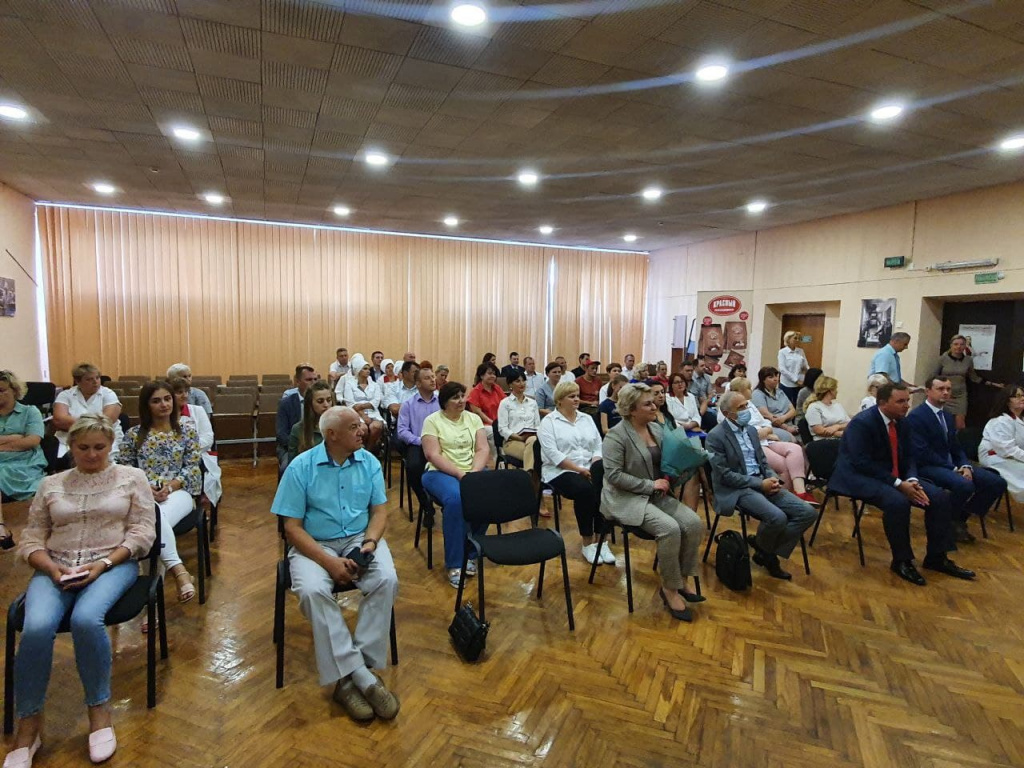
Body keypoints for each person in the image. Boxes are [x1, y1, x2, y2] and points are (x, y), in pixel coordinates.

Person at [7, 414, 155, 766]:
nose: (91, 455)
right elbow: (32, 536)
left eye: (99, 447)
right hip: (56, 565)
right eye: (83, 448)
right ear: (71, 447)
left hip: (112, 564)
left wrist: (102, 564)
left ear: (111, 445)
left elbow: (142, 533)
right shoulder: (52, 484)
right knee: (37, 626)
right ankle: (28, 726)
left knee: (88, 620)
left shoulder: (132, 478)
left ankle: (99, 712)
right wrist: (50, 566)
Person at [271, 406, 400, 722]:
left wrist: (369, 544)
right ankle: (361, 677)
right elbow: (291, 528)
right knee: (313, 590)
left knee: (386, 578)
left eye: (361, 425)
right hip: (314, 546)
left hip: (359, 539)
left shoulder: (368, 462)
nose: (362, 430)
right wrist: (328, 562)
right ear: (331, 435)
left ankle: (350, 676)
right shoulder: (301, 468)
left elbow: (380, 512)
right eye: (354, 426)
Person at [828, 382, 973, 586]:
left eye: (907, 401)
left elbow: (910, 457)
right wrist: (898, 483)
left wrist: (912, 479)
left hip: (891, 475)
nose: (906, 405)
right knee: (898, 502)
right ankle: (902, 560)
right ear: (882, 403)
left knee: (939, 497)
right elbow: (861, 463)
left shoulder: (903, 422)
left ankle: (937, 557)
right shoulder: (863, 423)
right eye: (900, 401)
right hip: (857, 476)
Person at [602, 383, 705, 620]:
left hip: (655, 493)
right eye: (647, 403)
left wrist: (680, 467)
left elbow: (666, 462)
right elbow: (614, 476)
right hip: (625, 498)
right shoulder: (616, 436)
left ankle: (682, 580)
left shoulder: (656, 429)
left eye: (653, 401)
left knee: (693, 523)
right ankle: (669, 589)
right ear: (631, 409)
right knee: (669, 529)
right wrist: (651, 485)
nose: (654, 405)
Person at [707, 391, 817, 580]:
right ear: (726, 413)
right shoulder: (715, 437)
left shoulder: (750, 430)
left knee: (807, 513)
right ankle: (769, 556)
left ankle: (763, 548)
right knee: (777, 517)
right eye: (740, 407)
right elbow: (725, 475)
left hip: (762, 481)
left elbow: (763, 462)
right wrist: (760, 483)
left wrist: (773, 478)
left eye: (746, 405)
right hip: (738, 488)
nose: (746, 410)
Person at [118, 381, 202, 603]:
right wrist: (147, 489)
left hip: (180, 493)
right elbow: (125, 470)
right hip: (143, 496)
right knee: (152, 517)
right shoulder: (134, 434)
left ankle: (150, 604)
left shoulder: (187, 431)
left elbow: (192, 467)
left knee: (152, 520)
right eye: (156, 401)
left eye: (167, 399)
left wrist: (170, 486)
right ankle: (179, 572)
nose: (164, 404)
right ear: (147, 406)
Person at [907, 377, 1006, 543]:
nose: (945, 393)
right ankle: (949, 522)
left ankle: (958, 518)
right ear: (928, 391)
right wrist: (954, 469)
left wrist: (965, 464)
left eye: (948, 389)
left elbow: (955, 446)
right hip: (928, 466)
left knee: (996, 482)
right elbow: (922, 452)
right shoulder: (917, 416)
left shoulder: (946, 415)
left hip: (950, 464)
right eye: (940, 389)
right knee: (964, 484)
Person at [421, 382, 491, 588]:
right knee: (456, 500)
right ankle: (454, 563)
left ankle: (471, 553)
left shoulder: (473, 418)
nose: (461, 400)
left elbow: (482, 449)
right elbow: (432, 454)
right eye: (455, 397)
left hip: (472, 470)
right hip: (440, 472)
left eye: (462, 396)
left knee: (489, 494)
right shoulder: (432, 421)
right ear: (444, 401)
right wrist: (460, 474)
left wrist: (474, 473)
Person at [539, 381, 611, 565]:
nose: (577, 399)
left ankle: (602, 541)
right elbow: (553, 454)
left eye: (578, 395)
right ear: (560, 400)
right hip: (560, 470)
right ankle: (587, 543)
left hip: (588, 465)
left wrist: (595, 463)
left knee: (606, 483)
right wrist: (580, 470)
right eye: (572, 396)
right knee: (585, 490)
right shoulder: (549, 422)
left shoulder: (586, 419)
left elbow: (598, 445)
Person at [720, 378, 817, 503]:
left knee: (795, 448)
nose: (751, 391)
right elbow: (749, 433)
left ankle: (800, 493)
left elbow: (765, 422)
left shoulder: (750, 404)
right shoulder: (728, 410)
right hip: (752, 446)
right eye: (748, 388)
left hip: (766, 439)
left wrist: (766, 431)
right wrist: (766, 432)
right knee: (784, 465)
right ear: (739, 391)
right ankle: (782, 501)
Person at [52, 363, 123, 463]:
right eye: (89, 379)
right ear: (77, 381)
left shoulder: (108, 394)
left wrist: (75, 422)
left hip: (104, 437)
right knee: (64, 462)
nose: (95, 382)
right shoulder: (65, 395)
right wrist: (94, 422)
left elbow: (107, 421)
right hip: (70, 438)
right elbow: (59, 419)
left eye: (97, 378)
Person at [932, 334, 1003, 430]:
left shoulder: (968, 360)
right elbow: (933, 376)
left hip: (960, 396)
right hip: (945, 394)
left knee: (960, 425)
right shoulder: (943, 359)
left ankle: (957, 443)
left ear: (965, 346)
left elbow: (974, 377)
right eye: (956, 344)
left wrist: (993, 384)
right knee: (944, 423)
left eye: (961, 344)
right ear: (951, 345)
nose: (958, 347)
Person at [169, 377, 222, 506]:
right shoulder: (163, 414)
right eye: (179, 392)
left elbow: (208, 438)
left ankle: (192, 500)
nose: (184, 395)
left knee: (193, 464)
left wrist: (187, 450)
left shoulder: (197, 411)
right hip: (170, 457)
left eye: (186, 391)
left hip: (198, 455)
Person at [0, 369, 46, 503]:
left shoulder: (30, 412)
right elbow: (24, 439)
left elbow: (32, 441)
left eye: (1, 390)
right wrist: (16, 437)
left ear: (14, 390)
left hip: (25, 462)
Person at [396, 367, 439, 505]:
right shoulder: (408, 404)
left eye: (433, 377)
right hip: (417, 444)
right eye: (428, 378)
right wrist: (420, 441)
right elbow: (402, 431)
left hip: (441, 444)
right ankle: (425, 504)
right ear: (418, 384)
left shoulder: (441, 402)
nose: (433, 380)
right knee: (413, 467)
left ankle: (443, 499)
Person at [980, 384, 1024, 502]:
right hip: (995, 457)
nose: (1022, 398)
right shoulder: (1001, 421)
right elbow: (1006, 450)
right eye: (1017, 396)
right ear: (1007, 401)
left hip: (1011, 456)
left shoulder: (1020, 420)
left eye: (1023, 395)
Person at [496, 371, 540, 474]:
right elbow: (502, 429)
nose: (522, 383)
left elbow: (537, 425)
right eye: (518, 381)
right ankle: (531, 479)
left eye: (523, 380)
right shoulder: (505, 403)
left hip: (531, 439)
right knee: (537, 456)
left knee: (533, 442)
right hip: (512, 442)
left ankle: (528, 476)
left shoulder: (532, 403)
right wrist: (520, 438)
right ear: (510, 384)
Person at [340, 355, 385, 452]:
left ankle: (368, 451)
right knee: (363, 429)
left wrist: (361, 405)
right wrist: (363, 415)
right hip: (356, 414)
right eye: (365, 369)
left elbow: (376, 401)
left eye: (368, 369)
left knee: (376, 427)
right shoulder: (350, 384)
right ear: (359, 370)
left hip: (373, 413)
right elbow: (350, 403)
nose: (368, 371)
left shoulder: (375, 385)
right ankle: (360, 450)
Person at [277, 364, 318, 470]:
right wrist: (297, 445)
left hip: (317, 445)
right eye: (309, 380)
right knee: (286, 467)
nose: (313, 383)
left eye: (315, 379)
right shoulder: (286, 403)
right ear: (297, 382)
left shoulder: (322, 403)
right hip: (291, 447)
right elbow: (281, 434)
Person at [288, 380, 336, 462]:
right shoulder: (298, 429)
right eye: (320, 401)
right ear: (310, 404)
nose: (326, 405)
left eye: (329, 400)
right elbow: (293, 463)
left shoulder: (342, 425)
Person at [751, 367, 798, 442]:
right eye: (771, 377)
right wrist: (786, 427)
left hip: (788, 423)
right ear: (763, 380)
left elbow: (793, 410)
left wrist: (784, 418)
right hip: (771, 426)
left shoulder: (780, 392)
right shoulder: (757, 394)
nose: (775, 379)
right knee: (790, 439)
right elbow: (767, 415)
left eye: (776, 376)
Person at [803, 375, 850, 440]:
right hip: (824, 441)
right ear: (830, 391)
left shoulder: (837, 405)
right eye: (835, 389)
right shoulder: (814, 407)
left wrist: (837, 426)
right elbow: (818, 430)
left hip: (841, 438)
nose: (837, 391)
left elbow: (849, 423)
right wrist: (839, 433)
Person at [467, 362, 503, 430]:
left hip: (500, 423)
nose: (493, 376)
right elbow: (479, 413)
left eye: (494, 374)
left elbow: (506, 404)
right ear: (482, 376)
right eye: (489, 373)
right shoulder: (475, 392)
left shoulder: (497, 388)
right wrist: (494, 424)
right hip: (484, 425)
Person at [777, 331, 809, 404]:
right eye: (795, 338)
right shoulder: (782, 352)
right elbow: (782, 369)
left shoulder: (801, 351)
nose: (797, 340)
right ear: (788, 339)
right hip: (787, 383)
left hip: (800, 383)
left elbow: (806, 365)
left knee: (797, 404)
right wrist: (795, 380)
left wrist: (807, 372)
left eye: (798, 338)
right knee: (786, 405)